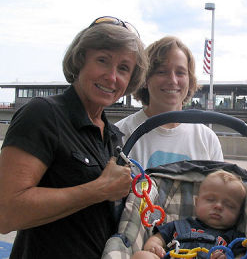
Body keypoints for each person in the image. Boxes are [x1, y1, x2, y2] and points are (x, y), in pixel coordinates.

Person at [0, 16, 148, 258]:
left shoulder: (113, 137)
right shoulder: (42, 114)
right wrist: (98, 189)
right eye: (102, 60)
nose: (112, 77)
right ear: (80, 60)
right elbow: (6, 213)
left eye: (123, 68)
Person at [116, 36, 224, 169]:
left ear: (189, 80)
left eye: (180, 73)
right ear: (145, 79)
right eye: (162, 72)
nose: (173, 80)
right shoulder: (121, 134)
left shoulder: (207, 138)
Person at [131, 170, 247, 259]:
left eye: (229, 205)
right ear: (197, 202)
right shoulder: (178, 225)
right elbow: (156, 239)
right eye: (211, 199)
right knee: (141, 255)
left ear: (239, 213)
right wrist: (154, 247)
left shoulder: (235, 238)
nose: (218, 206)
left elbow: (242, 255)